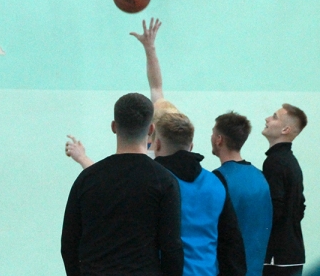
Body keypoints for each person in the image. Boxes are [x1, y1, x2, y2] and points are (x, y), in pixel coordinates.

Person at [65, 20, 246, 276]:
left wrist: (83, 159)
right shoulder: (205, 182)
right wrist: (150, 49)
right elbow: (156, 88)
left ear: (155, 137)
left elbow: (112, 180)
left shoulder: (158, 172)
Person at [61, 93, 184, 276]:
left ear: (113, 126)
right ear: (151, 129)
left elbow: (69, 244)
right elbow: (171, 248)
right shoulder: (165, 181)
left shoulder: (87, 179)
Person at [211, 111, 273, 276]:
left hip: (227, 269)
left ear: (219, 139)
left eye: (213, 133)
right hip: (256, 269)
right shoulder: (261, 178)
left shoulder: (217, 180)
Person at [261, 104, 308, 276]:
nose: (267, 119)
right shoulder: (291, 161)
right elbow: (300, 206)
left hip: (278, 256)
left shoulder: (275, 162)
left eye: (274, 117)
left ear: (285, 129)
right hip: (292, 253)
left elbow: (275, 209)